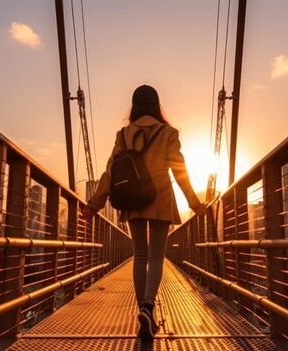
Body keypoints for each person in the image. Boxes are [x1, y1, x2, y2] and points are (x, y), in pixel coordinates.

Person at [80, 84, 205, 340]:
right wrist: (194, 203)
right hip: (159, 199)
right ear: (157, 106)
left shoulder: (124, 134)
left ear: (134, 107)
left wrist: (94, 204)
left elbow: (110, 172)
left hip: (132, 201)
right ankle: (148, 306)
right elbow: (180, 171)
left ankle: (142, 313)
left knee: (140, 255)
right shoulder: (168, 133)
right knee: (157, 256)